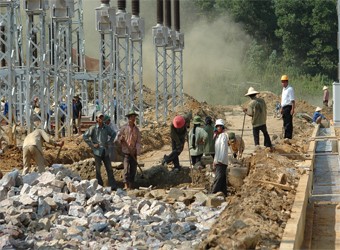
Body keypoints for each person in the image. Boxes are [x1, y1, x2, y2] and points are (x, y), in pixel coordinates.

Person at [83, 111, 117, 190]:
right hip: (97, 151)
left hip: (105, 151)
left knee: (109, 168)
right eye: (100, 117)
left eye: (102, 117)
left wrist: (109, 142)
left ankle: (112, 185)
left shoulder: (106, 127)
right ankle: (99, 185)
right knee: (98, 169)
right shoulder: (93, 128)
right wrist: (92, 144)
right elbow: (85, 136)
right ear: (96, 119)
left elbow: (114, 134)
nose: (101, 119)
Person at [115, 110, 141, 190]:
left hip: (133, 152)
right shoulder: (123, 128)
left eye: (134, 117)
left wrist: (137, 151)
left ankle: (131, 184)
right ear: (129, 118)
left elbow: (138, 142)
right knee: (126, 169)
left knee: (133, 169)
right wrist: (121, 139)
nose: (133, 119)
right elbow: (117, 139)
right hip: (126, 152)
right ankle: (125, 184)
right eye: (132, 117)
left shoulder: (137, 130)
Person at [211, 119, 228, 196]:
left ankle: (213, 193)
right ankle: (224, 193)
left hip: (221, 161)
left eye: (219, 126)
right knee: (222, 180)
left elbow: (223, 148)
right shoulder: (218, 137)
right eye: (217, 126)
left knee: (218, 178)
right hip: (218, 161)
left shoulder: (223, 136)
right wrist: (214, 161)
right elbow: (217, 151)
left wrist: (220, 160)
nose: (218, 128)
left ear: (222, 127)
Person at [280, 75, 295, 139]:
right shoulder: (283, 89)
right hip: (284, 108)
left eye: (284, 82)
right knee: (285, 122)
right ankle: (285, 136)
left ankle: (288, 137)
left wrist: (292, 109)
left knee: (288, 123)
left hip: (288, 107)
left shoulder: (290, 89)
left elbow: (293, 100)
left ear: (287, 82)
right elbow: (283, 99)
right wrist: (281, 108)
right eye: (282, 82)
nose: (282, 83)